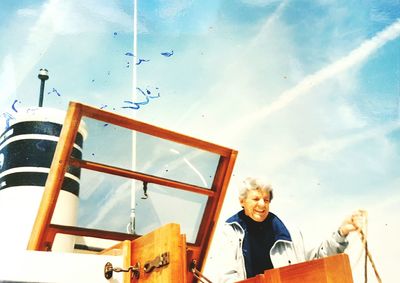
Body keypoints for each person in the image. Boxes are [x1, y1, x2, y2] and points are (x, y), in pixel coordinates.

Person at [218, 177, 364, 282]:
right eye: (256, 199)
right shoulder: (230, 232)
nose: (262, 204)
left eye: (266, 199)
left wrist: (342, 232)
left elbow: (318, 258)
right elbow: (227, 276)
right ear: (242, 201)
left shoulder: (289, 233)